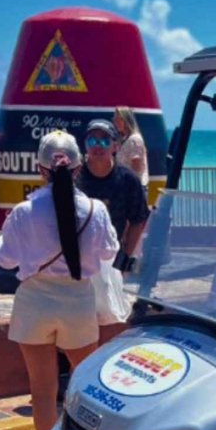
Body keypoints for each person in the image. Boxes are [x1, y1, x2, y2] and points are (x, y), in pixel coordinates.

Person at [0, 131, 119, 430]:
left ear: (40, 169)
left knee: (42, 391)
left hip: (34, 302)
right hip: (77, 301)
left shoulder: (23, 212)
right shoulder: (95, 211)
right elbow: (109, 252)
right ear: (79, 168)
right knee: (89, 385)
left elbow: (5, 259)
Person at [77, 119, 150, 343]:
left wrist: (124, 256)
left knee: (112, 319)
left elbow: (138, 219)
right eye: (92, 139)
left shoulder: (127, 179)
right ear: (85, 144)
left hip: (109, 260)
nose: (97, 145)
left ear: (115, 145)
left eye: (104, 139)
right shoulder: (74, 177)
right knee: (80, 324)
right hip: (76, 260)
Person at [113, 106, 150, 188]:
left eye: (119, 119)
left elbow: (136, 168)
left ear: (126, 120)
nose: (116, 122)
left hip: (134, 187)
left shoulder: (135, 139)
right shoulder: (124, 140)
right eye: (115, 120)